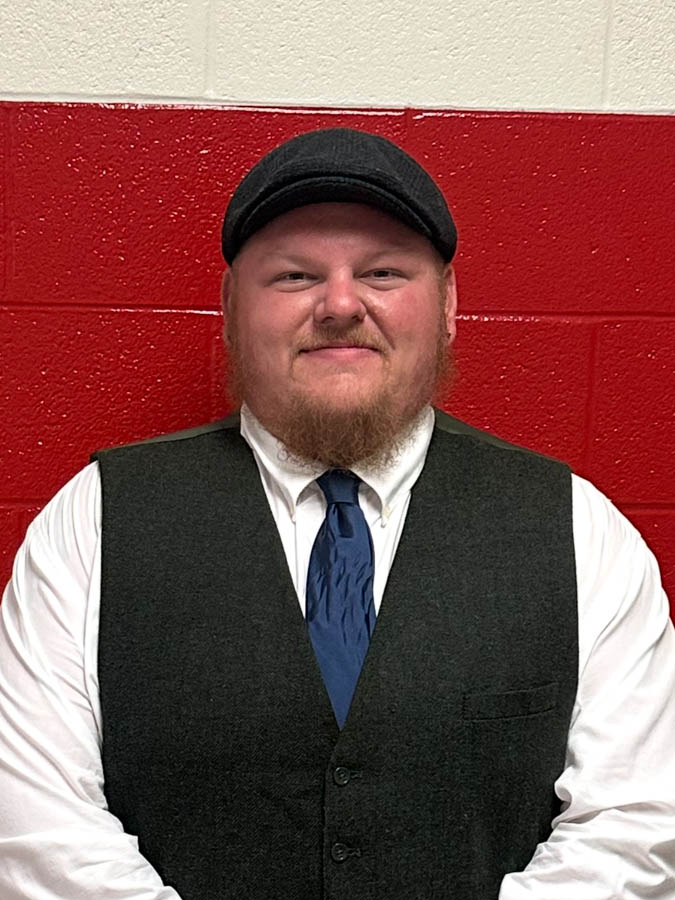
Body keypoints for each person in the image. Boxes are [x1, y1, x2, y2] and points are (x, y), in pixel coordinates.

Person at [0, 128, 674, 900]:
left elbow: (633, 823)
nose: (342, 304)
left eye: (383, 271)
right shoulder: (95, 521)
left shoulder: (576, 528)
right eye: (294, 276)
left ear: (448, 304)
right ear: (229, 307)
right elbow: (38, 831)